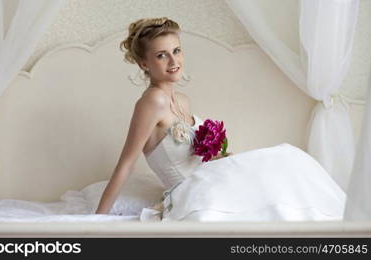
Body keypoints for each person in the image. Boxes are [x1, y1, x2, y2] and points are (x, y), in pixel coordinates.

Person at [95, 17, 346, 222]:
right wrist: (96, 221)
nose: (174, 61)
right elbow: (126, 164)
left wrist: (221, 156)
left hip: (211, 180)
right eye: (161, 55)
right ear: (144, 63)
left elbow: (195, 158)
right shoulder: (152, 102)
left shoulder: (182, 101)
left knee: (287, 159)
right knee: (284, 160)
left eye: (177, 50)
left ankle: (342, 220)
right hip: (192, 192)